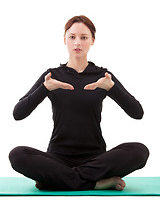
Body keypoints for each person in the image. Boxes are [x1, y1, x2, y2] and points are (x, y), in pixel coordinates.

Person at [9, 15, 149, 191]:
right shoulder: (52, 76)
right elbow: (18, 113)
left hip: (96, 159)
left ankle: (59, 181)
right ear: (65, 40)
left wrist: (111, 87)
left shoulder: (103, 76)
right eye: (72, 37)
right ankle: (94, 183)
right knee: (17, 155)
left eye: (84, 38)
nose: (77, 43)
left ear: (92, 40)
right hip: (57, 159)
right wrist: (45, 88)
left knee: (140, 151)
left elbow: (137, 113)